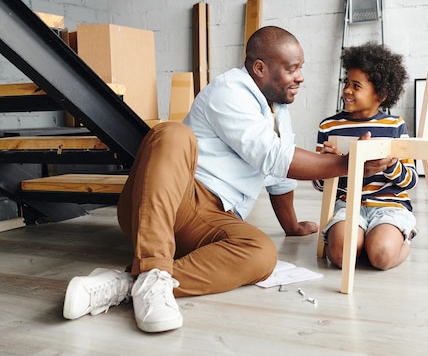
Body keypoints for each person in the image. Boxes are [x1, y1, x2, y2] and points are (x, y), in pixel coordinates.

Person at [62, 26, 396, 333]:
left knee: (262, 254)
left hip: (212, 220)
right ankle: (151, 265)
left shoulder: (279, 109)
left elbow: (277, 176)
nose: (301, 77)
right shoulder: (229, 90)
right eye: (292, 68)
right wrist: (345, 164)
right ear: (260, 68)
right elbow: (273, 157)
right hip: (168, 200)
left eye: (300, 67)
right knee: (173, 133)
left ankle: (130, 282)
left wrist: (291, 226)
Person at [314, 42, 418, 271]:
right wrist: (326, 164)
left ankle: (400, 240)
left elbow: (411, 180)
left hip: (390, 207)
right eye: (346, 83)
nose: (347, 90)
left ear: (380, 94)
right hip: (347, 205)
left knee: (381, 257)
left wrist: (388, 167)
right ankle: (363, 242)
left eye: (356, 86)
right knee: (341, 257)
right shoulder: (330, 127)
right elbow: (320, 184)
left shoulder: (395, 126)